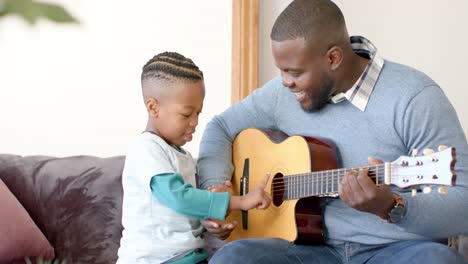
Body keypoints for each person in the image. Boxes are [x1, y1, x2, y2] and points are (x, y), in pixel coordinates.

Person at [197, 0, 468, 263]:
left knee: (437, 259)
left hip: (395, 250)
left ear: (333, 58)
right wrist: (217, 191)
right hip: (309, 250)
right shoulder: (282, 93)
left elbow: (462, 205)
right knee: (233, 257)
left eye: (294, 72)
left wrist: (393, 206)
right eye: (282, 71)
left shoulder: (415, 97)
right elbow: (220, 127)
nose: (285, 83)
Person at [116, 52, 271, 264]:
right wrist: (241, 202)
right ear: (153, 107)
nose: (195, 122)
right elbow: (180, 198)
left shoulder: (184, 156)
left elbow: (184, 215)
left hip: (188, 258)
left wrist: (211, 223)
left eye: (198, 113)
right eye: (186, 114)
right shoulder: (146, 149)